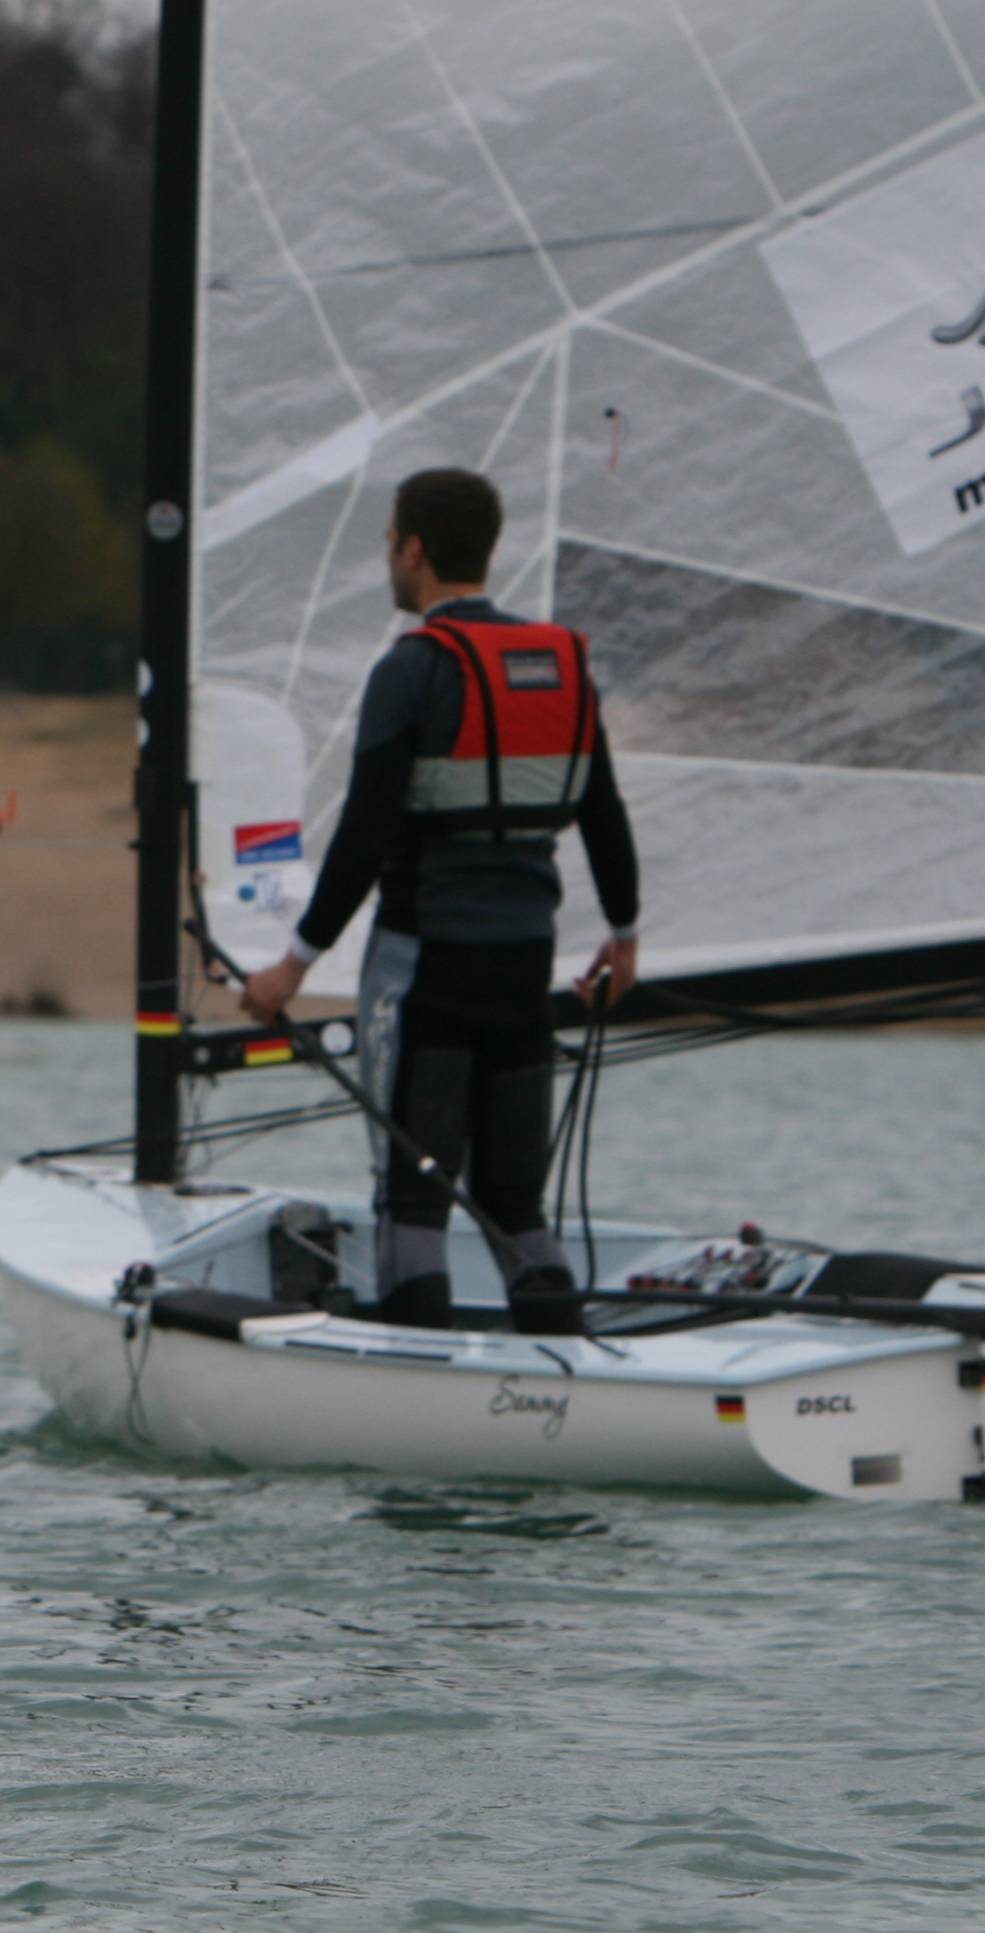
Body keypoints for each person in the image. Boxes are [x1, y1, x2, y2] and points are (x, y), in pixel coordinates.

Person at [237, 468, 641, 1331]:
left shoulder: (412, 670)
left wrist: (289, 969)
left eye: (389, 540)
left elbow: (365, 837)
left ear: (413, 549)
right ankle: (562, 1372)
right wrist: (625, 934)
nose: (388, 555)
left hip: (427, 975)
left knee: (413, 1198)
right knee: (517, 1202)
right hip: (525, 970)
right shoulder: (562, 664)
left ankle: (418, 1385)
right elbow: (603, 811)